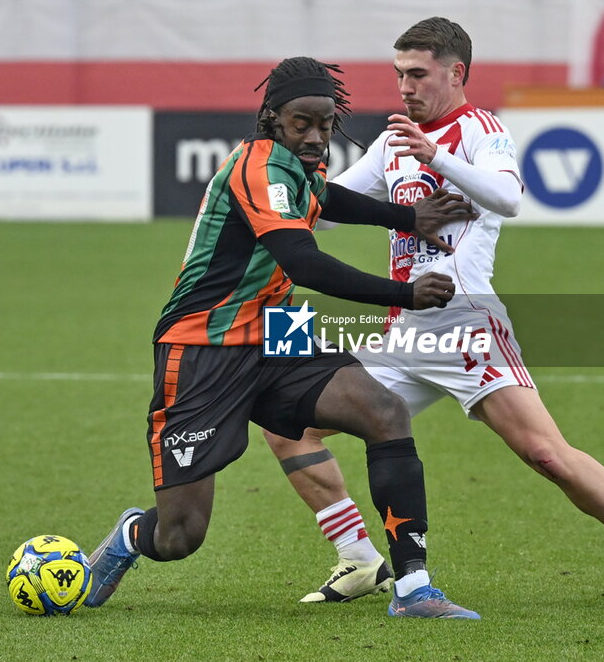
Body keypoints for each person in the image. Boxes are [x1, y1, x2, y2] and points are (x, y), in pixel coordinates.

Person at [262, 18, 604, 612]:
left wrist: (438, 157)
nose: (405, 87)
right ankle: (360, 557)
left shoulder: (481, 130)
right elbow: (324, 213)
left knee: (546, 454)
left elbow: (509, 198)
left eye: (418, 74)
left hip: (467, 324)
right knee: (288, 426)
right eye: (399, 74)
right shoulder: (394, 140)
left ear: (456, 74)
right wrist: (290, 172)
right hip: (405, 330)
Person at [85, 56, 481, 619]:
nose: (316, 137)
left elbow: (330, 198)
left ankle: (413, 587)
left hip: (277, 331)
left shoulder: (300, 167)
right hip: (202, 347)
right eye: (302, 124)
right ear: (272, 118)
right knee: (180, 535)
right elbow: (304, 262)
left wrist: (407, 218)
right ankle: (132, 535)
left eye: (325, 124)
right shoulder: (258, 168)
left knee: (384, 411)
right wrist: (403, 294)